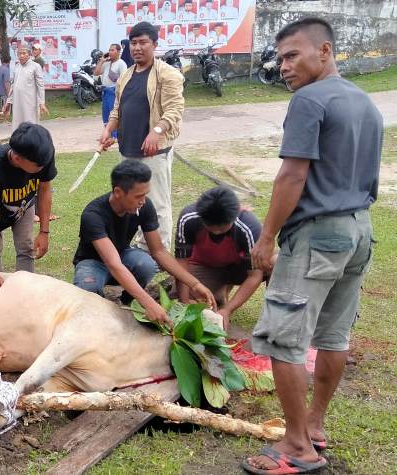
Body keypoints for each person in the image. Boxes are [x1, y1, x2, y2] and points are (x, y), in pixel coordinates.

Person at [243, 18, 382, 474]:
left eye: (292, 56)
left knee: (283, 341)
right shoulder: (365, 103)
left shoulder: (309, 100)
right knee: (333, 336)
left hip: (317, 235)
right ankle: (313, 426)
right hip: (358, 230)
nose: (283, 66)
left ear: (324, 51)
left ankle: (297, 446)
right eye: (279, 58)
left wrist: (266, 238)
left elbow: (292, 175)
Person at [73, 160, 216, 325]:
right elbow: (113, 264)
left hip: (122, 255)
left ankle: (128, 300)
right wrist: (149, 302)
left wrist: (195, 284)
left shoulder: (144, 206)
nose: (143, 201)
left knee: (146, 264)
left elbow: (159, 251)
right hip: (93, 262)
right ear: (118, 192)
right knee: (87, 290)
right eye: (138, 196)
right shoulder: (93, 215)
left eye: (145, 194)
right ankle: (100, 313)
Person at [99, 22, 184, 252]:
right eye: (134, 43)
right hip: (127, 151)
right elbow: (118, 109)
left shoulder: (168, 74)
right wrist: (108, 130)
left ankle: (160, 251)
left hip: (154, 152)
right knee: (132, 202)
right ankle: (140, 246)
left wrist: (156, 131)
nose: (137, 47)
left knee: (157, 204)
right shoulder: (126, 75)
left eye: (143, 42)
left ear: (154, 44)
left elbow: (175, 110)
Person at [0, 123, 56, 292]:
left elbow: (44, 189)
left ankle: (24, 290)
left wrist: (44, 232)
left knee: (26, 248)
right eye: (38, 167)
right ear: (18, 159)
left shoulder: (42, 154)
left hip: (24, 205)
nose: (43, 168)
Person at [175, 187, 264, 330]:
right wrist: (184, 302)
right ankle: (219, 293)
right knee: (179, 294)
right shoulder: (189, 217)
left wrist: (227, 310)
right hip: (208, 266)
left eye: (222, 228)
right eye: (210, 227)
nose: (216, 232)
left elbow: (255, 276)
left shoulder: (249, 226)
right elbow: (181, 263)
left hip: (241, 269)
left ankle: (273, 318)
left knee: (274, 262)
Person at [2, 45, 47, 131]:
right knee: (17, 123)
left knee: (30, 124)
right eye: (19, 54)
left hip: (30, 102)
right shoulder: (17, 67)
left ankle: (32, 142)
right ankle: (18, 141)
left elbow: (40, 85)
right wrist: (8, 101)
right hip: (17, 102)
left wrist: (42, 102)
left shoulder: (36, 66)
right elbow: (13, 86)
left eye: (24, 53)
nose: (21, 56)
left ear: (29, 55)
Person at [94, 44, 128, 134]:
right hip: (105, 92)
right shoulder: (107, 63)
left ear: (118, 52)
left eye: (112, 50)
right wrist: (101, 61)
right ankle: (108, 133)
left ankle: (115, 135)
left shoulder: (121, 64)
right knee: (105, 114)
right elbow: (96, 73)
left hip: (114, 92)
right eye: (109, 50)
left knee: (113, 114)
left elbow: (124, 79)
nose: (110, 52)